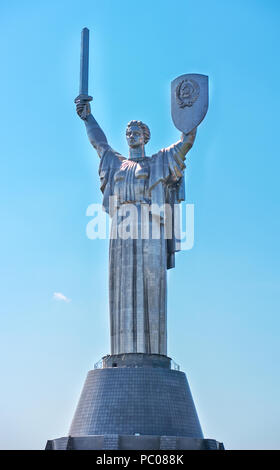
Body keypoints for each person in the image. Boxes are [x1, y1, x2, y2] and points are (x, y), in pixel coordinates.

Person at [76, 100, 196, 356]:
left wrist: (190, 120)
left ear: (146, 137)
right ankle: (122, 352)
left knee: (150, 283)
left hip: (149, 225)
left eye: (137, 133)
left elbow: (185, 145)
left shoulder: (157, 162)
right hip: (120, 229)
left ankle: (151, 353)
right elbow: (99, 144)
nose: (132, 137)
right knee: (121, 287)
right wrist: (88, 118)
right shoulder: (116, 163)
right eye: (128, 133)